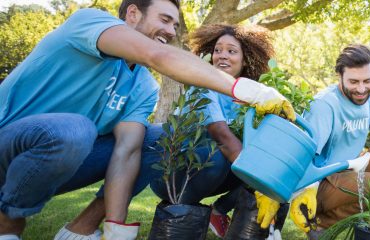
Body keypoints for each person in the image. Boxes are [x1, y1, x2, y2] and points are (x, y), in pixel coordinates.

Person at [0, 0, 294, 239]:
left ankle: (82, 230)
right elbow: (157, 54)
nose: (170, 30)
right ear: (132, 14)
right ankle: (8, 224)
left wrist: (116, 227)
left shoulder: (143, 85)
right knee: (76, 129)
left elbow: (127, 152)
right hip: (10, 144)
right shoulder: (88, 22)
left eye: (175, 25)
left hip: (62, 156)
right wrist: (244, 88)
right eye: (164, 20)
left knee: (154, 139)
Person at [252, 44, 370, 238]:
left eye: (367, 81)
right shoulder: (325, 105)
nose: (361, 89)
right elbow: (304, 154)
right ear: (339, 76)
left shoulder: (367, 99)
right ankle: (321, 222)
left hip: (349, 172)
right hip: (320, 182)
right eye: (353, 81)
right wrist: (295, 190)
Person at [148, 23, 289, 239]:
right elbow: (222, 137)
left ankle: (221, 211)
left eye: (231, 51)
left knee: (258, 160)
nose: (222, 56)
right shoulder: (202, 85)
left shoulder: (247, 96)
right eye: (217, 50)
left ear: (245, 59)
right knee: (227, 155)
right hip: (174, 173)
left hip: (211, 170)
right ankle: (186, 212)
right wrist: (263, 183)